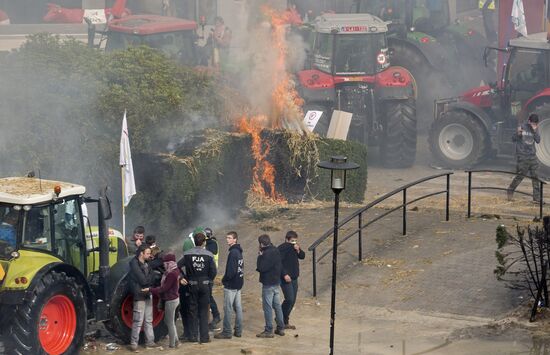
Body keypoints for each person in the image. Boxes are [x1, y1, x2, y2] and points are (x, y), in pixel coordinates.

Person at [179, 231, 217, 344]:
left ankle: (193, 336)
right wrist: (209, 280)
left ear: (194, 242)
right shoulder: (209, 254)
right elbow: (213, 271)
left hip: (192, 285)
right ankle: (204, 337)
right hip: (205, 285)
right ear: (204, 242)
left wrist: (181, 277)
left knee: (192, 311)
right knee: (204, 311)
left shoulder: (187, 254)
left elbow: (176, 266)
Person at [128, 245, 162, 352]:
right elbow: (142, 279)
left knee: (148, 319)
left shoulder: (147, 264)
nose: (149, 255)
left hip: (147, 293)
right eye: (147, 253)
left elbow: (151, 277)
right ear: (141, 253)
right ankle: (134, 344)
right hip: (140, 294)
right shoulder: (134, 263)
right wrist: (149, 285)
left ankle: (150, 342)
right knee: (138, 320)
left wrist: (149, 286)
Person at [214, 231, 244, 339]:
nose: (227, 239)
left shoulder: (233, 253)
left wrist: (223, 280)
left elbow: (231, 271)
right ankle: (238, 330)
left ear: (235, 239)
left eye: (230, 238)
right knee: (238, 308)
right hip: (238, 284)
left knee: (228, 308)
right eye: (227, 237)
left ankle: (227, 332)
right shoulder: (239, 252)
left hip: (231, 285)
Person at [507, 113, 542, 203]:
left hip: (532, 156)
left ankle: (537, 199)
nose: (534, 125)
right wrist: (518, 133)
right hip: (522, 155)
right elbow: (513, 138)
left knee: (535, 177)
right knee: (520, 176)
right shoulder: (522, 126)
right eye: (532, 123)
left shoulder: (535, 129)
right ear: (529, 121)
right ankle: (510, 190)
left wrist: (534, 131)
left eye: (536, 124)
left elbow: (538, 141)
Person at [256, 234, 285, 338]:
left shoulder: (266, 253)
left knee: (267, 307)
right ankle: (281, 328)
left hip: (268, 284)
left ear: (261, 244)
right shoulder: (276, 250)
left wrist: (260, 256)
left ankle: (269, 330)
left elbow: (261, 268)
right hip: (277, 282)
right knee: (277, 306)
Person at [150, 253, 180, 349]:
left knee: (169, 322)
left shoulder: (171, 274)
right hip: (174, 299)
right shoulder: (175, 271)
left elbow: (164, 288)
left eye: (165, 263)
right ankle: (176, 341)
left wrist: (151, 290)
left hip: (171, 300)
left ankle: (172, 344)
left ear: (169, 263)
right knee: (170, 321)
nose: (164, 265)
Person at [278, 230, 305, 330]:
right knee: (289, 299)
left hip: (294, 277)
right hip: (285, 278)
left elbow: (302, 256)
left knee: (292, 301)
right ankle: (279, 318)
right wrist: (284, 274)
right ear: (287, 239)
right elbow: (278, 263)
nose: (294, 243)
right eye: (292, 241)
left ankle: (285, 321)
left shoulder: (294, 247)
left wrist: (298, 250)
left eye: (295, 241)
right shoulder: (282, 248)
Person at [205, 227, 221, 331]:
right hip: (210, 272)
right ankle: (214, 316)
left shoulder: (211, 244)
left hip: (209, 273)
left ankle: (216, 316)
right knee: (208, 296)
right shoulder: (213, 242)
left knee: (208, 297)